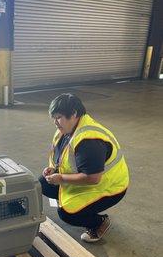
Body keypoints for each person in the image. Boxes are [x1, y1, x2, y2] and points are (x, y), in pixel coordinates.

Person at [40, 93, 129, 242]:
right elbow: (65, 157)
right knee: (43, 183)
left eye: (59, 117)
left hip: (109, 186)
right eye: (53, 117)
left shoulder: (89, 141)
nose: (55, 122)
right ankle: (80, 207)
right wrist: (54, 170)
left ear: (74, 113)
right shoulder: (66, 129)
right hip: (88, 179)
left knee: (68, 213)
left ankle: (98, 223)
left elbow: (93, 178)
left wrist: (61, 178)